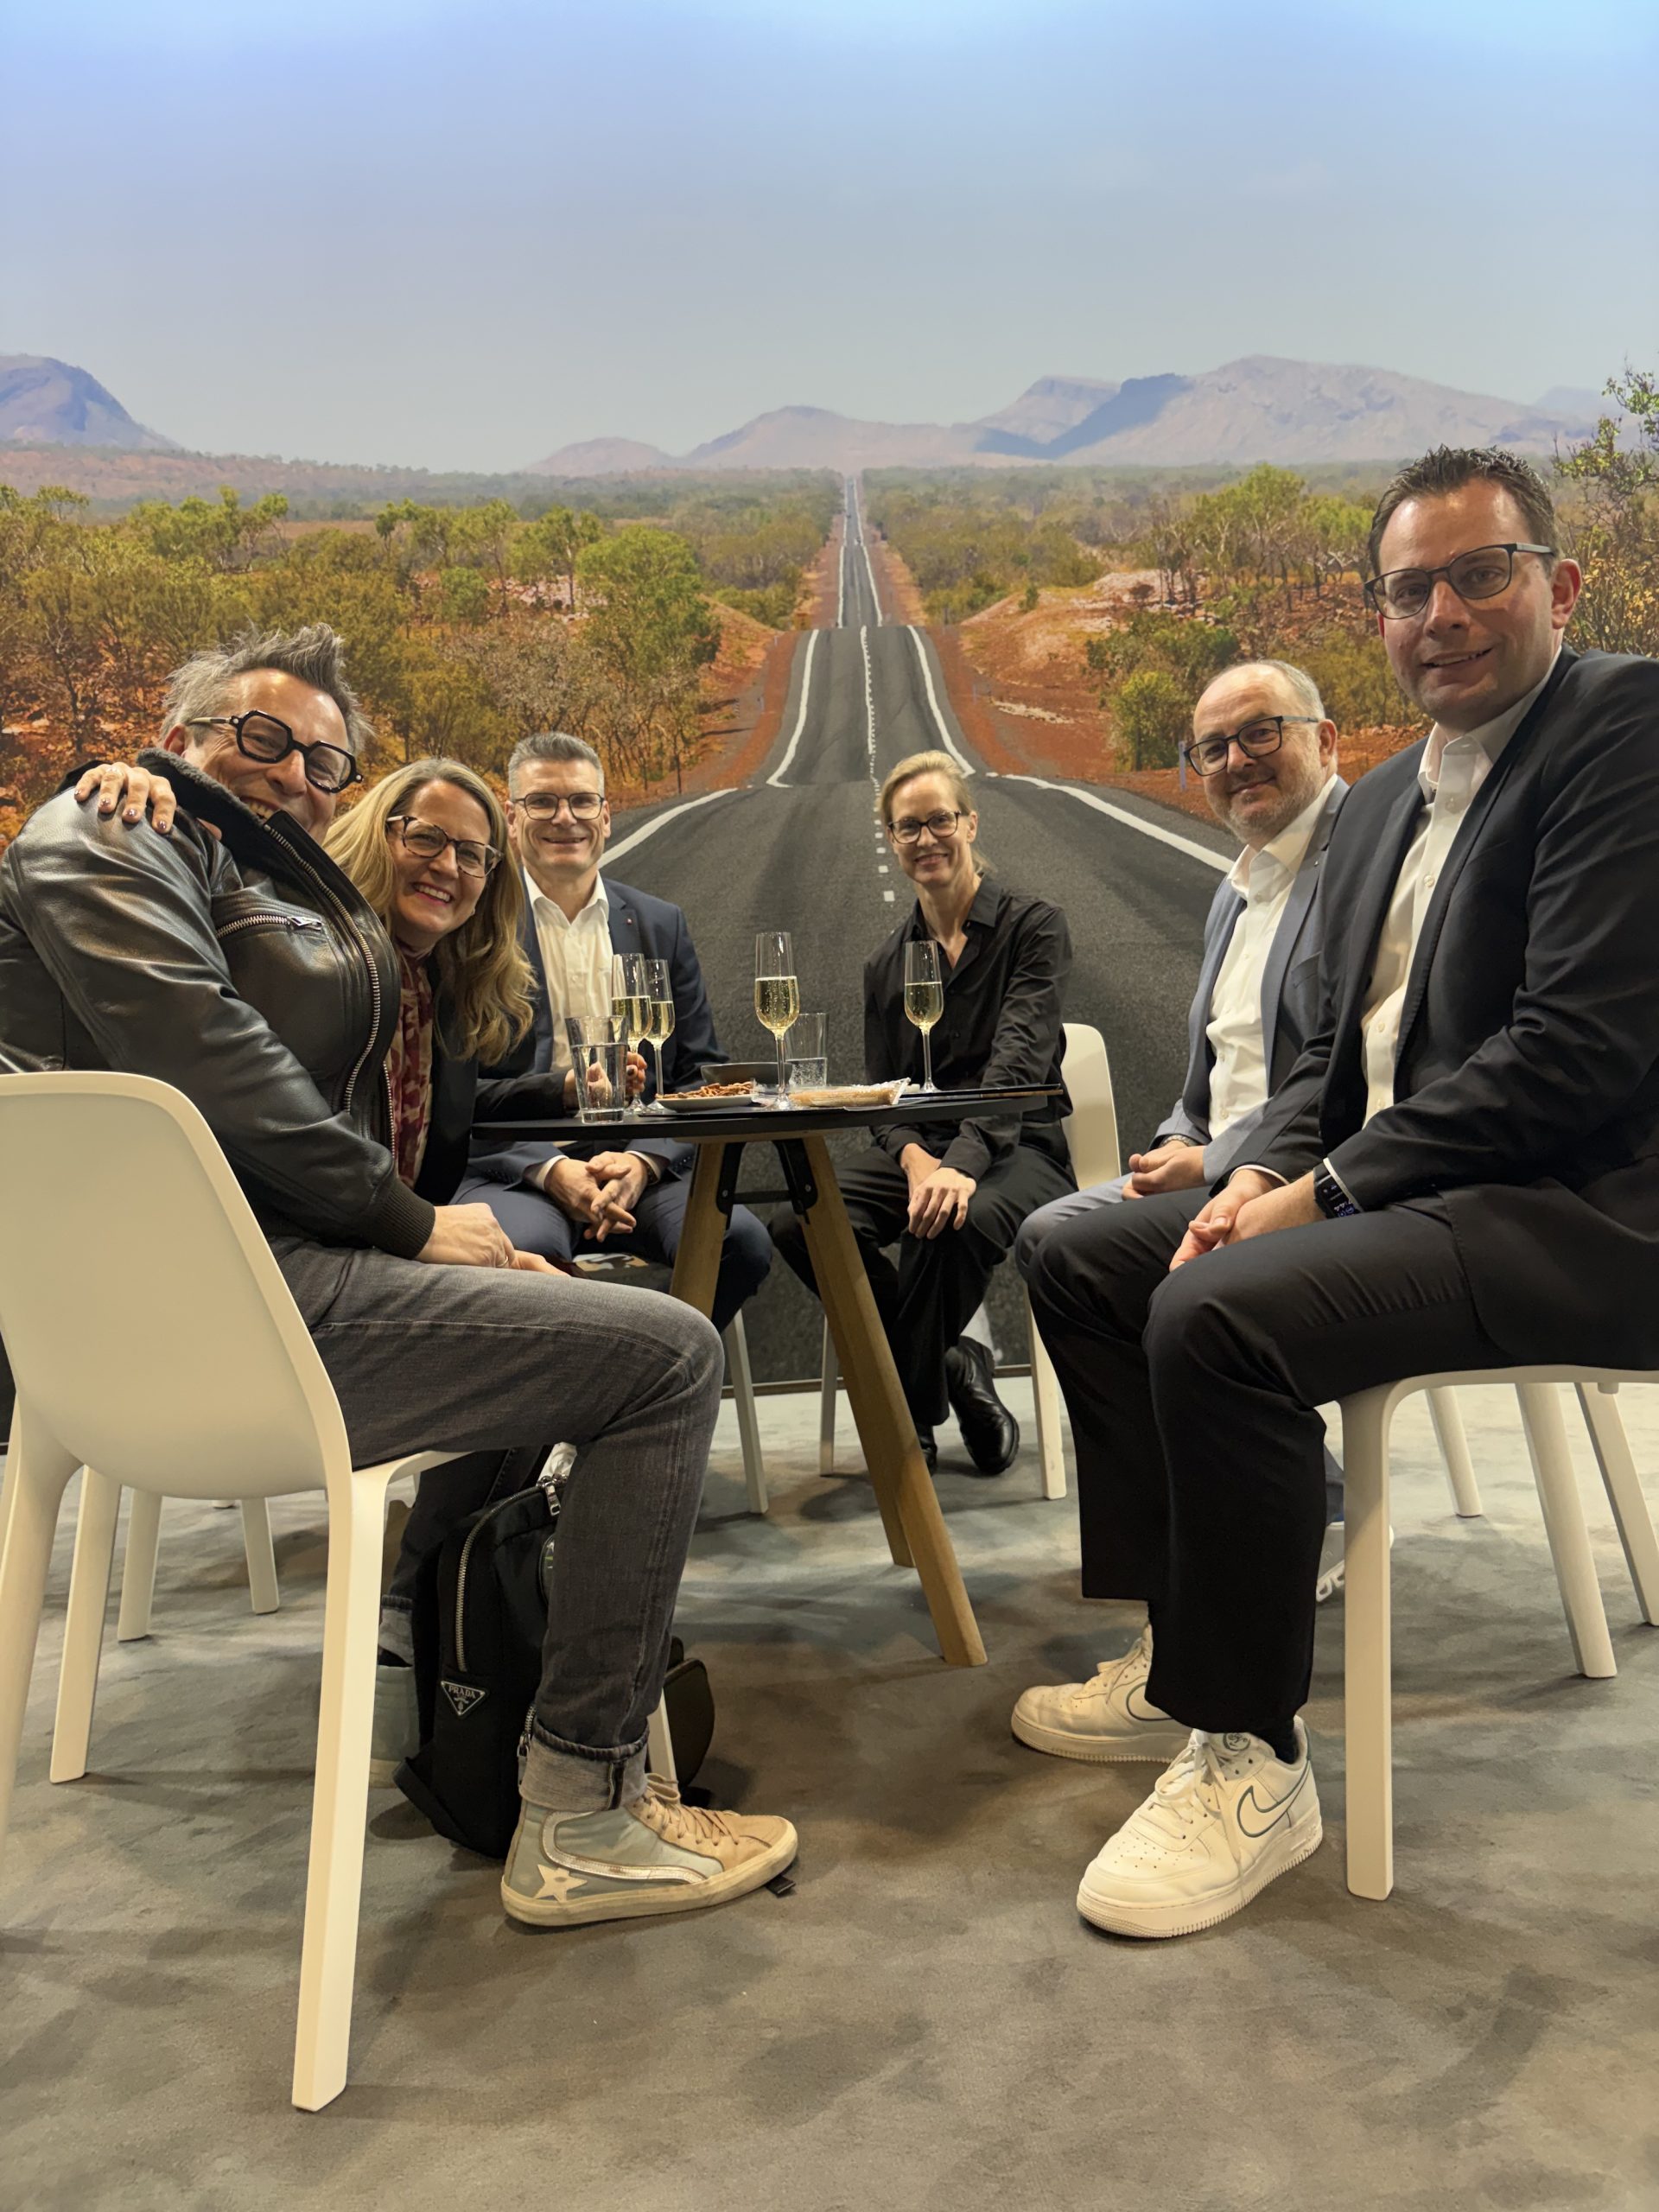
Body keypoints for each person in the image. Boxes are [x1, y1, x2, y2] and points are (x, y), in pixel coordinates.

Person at [0, 625, 797, 1929]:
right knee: (667, 1356)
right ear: (180, 738)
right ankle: (582, 1810)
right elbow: (213, 1055)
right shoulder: (108, 829)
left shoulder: (234, 871)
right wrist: (414, 1224)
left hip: (221, 1301)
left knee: (580, 1312)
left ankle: (444, 1644)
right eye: (261, 738)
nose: (293, 773)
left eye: (324, 759)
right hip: (244, 1313)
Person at [1019, 444, 1659, 1939]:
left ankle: (1250, 1754)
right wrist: (1254, 1170)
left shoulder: (1622, 728)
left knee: (1218, 1316)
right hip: (1413, 1196)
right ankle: (1183, 1645)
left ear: (1561, 585)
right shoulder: (1376, 809)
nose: (1443, 614)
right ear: (1379, 617)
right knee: (1084, 1256)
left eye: (1481, 574)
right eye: (1410, 589)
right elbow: (1324, 1058)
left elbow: (1573, 1051)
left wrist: (1324, 1192)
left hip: (1576, 1208)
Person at [1014, 661, 1351, 1602]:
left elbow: (1347, 1068)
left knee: (1076, 1257)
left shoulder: (1359, 865)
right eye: (1213, 748)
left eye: (1260, 733)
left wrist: (1218, 1159)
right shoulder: (1237, 888)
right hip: (1220, 1163)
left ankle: (1202, 1556)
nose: (1236, 761)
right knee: (1048, 1236)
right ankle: (1235, 1511)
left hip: (1312, 1174)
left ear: (1325, 740)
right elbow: (1212, 1070)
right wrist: (1176, 1143)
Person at [772, 749, 1075, 1474]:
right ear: (891, 840)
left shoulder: (1034, 927)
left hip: (1020, 1147)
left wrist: (959, 1165)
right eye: (907, 827)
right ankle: (950, 1364)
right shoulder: (887, 963)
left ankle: (906, 1422)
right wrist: (915, 1162)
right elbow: (887, 1097)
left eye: (939, 820)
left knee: (947, 1222)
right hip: (926, 1151)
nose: (925, 839)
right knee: (799, 1222)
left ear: (970, 823)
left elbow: (1016, 1069)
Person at [458, 730, 771, 1337]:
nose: (565, 818)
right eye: (543, 802)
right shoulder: (474, 926)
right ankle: (604, 1389)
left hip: (639, 1168)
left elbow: (699, 1075)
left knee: (740, 1243)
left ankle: (646, 1380)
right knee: (522, 1261)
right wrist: (551, 1170)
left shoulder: (660, 923)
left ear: (605, 816)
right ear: (511, 817)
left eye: (582, 801)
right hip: (518, 1170)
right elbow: (454, 1095)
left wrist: (645, 1163)